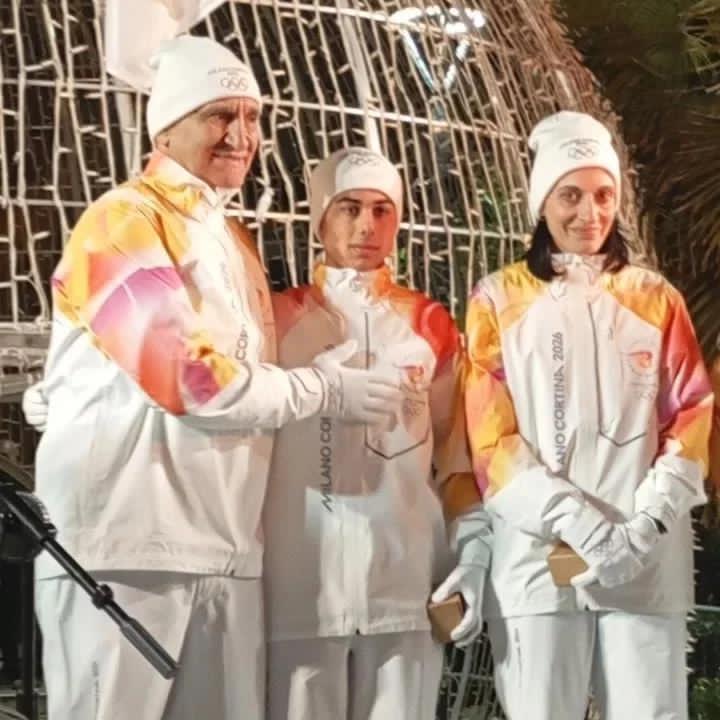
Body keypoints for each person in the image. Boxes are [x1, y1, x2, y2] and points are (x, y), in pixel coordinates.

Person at [24, 36, 401, 720]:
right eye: (218, 114)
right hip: (124, 548)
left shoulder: (234, 241)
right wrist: (323, 390)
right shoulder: (122, 220)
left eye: (252, 116)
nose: (241, 134)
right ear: (166, 128)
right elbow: (192, 381)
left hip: (227, 551)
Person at [456, 110, 713, 720]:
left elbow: (694, 416)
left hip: (644, 562)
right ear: (541, 203)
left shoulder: (656, 299)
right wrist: (582, 526)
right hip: (538, 561)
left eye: (603, 195)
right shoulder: (497, 299)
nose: (589, 214)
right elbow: (491, 441)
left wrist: (646, 524)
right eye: (569, 195)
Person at [263, 147, 488, 720]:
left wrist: (473, 545)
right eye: (349, 207)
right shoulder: (276, 318)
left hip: (404, 585)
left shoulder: (430, 323)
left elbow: (457, 456)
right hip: (298, 586)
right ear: (320, 219)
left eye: (382, 210)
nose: (367, 225)